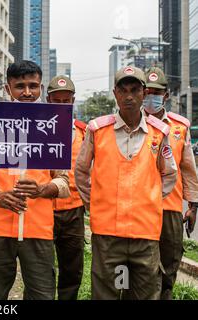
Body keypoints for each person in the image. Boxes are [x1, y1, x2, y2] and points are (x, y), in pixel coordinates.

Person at [0, 60, 70, 300]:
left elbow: (64, 181)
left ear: (41, 87)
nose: (27, 92)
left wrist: (43, 189)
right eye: (20, 86)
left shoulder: (55, 124)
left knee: (42, 294)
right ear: (7, 88)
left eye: (33, 86)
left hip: (39, 229)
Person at [75, 66, 178, 300]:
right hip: (107, 234)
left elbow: (169, 174)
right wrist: (95, 203)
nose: (129, 96)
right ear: (115, 94)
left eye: (134, 90)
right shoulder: (97, 129)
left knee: (146, 293)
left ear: (143, 92)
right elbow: (81, 171)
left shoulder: (159, 132)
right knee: (105, 294)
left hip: (146, 235)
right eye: (123, 90)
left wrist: (149, 200)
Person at [142, 66, 198, 300]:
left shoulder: (180, 126)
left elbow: (188, 168)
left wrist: (193, 205)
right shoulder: (131, 123)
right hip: (139, 207)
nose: (151, 97)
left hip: (170, 207)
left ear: (165, 95)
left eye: (157, 92)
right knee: (139, 265)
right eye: (147, 92)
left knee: (170, 261)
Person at [46, 75, 86, 300]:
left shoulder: (84, 132)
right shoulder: (35, 128)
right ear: (48, 100)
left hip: (73, 210)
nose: (61, 105)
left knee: (72, 267)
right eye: (56, 101)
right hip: (42, 208)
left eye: (66, 101)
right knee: (42, 267)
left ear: (72, 101)